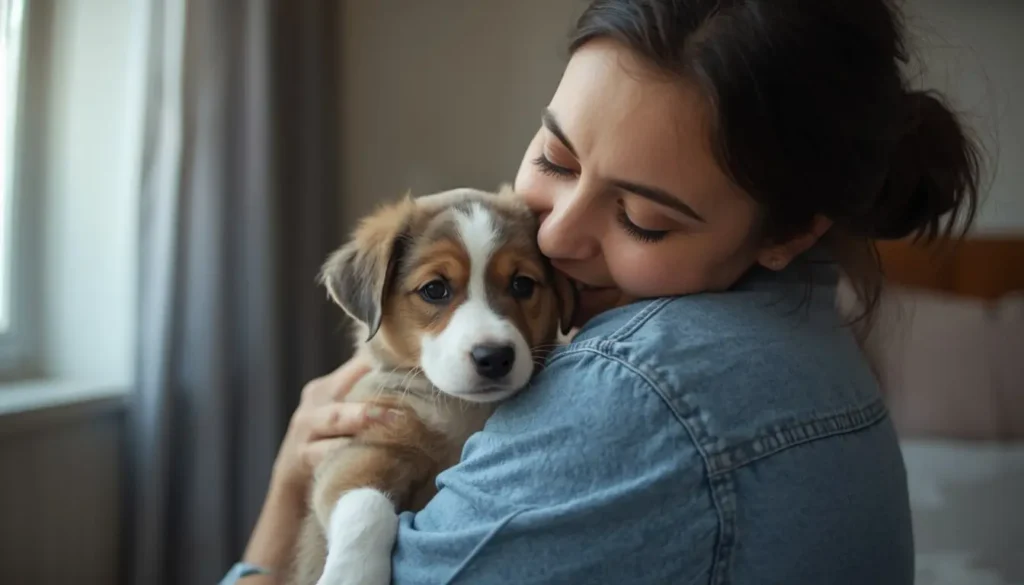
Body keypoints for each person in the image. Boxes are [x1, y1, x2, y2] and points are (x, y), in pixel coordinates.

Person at [224, 0, 981, 583]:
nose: (553, 239)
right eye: (555, 158)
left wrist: (280, 509)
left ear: (787, 233)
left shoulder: (632, 392)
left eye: (642, 219)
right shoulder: (812, 328)